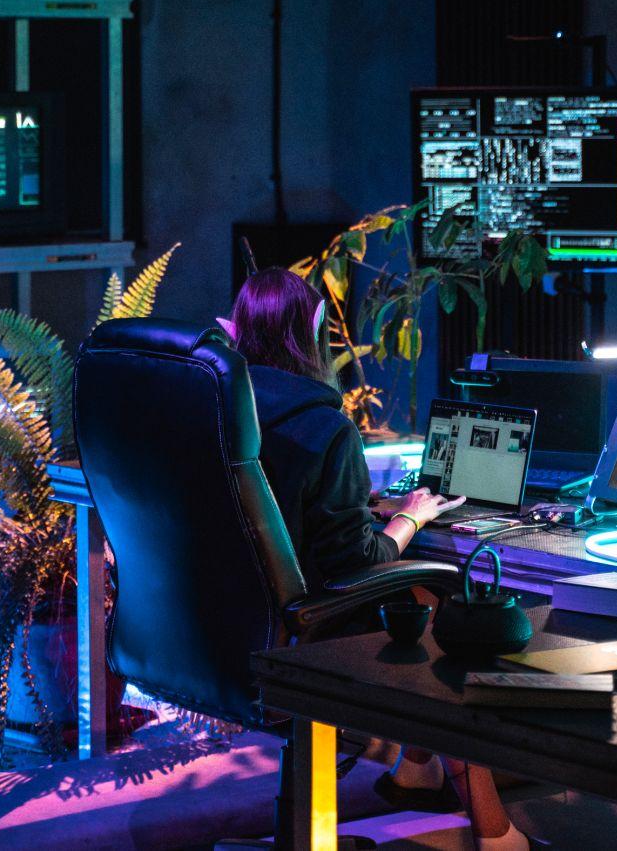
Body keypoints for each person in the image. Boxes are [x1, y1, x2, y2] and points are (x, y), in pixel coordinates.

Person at [219, 268, 534, 851]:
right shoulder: (324, 427)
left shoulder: (217, 411)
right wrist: (409, 517)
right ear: (315, 329)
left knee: (417, 601)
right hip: (299, 636)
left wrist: (354, 506)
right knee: (439, 610)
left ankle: (417, 768)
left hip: (220, 633)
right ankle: (494, 831)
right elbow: (357, 563)